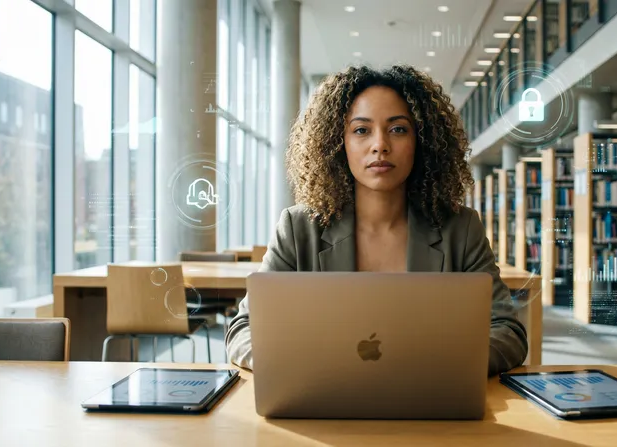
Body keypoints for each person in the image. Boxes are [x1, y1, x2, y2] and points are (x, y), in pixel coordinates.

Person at [225, 64, 528, 376]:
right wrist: (285, 364)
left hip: (428, 396)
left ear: (422, 141)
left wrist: (445, 366)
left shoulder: (461, 229)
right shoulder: (298, 228)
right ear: (337, 143)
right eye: (361, 130)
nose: (380, 144)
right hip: (323, 394)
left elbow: (507, 331)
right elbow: (244, 328)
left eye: (398, 129)